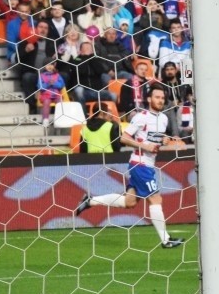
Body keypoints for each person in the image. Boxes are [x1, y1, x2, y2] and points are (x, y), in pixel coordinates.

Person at [75, 84, 185, 249]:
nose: (160, 100)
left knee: (129, 202)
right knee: (155, 199)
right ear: (149, 99)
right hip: (139, 163)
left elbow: (154, 139)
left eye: (162, 98)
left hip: (148, 164)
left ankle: (91, 201)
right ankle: (166, 240)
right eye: (157, 97)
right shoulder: (141, 117)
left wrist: (165, 141)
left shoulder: (164, 119)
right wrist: (145, 147)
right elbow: (124, 138)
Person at [37, 59, 66, 126]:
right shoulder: (41, 76)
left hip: (56, 94)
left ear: (54, 65)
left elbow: (62, 85)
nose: (50, 66)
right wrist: (48, 84)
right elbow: (40, 87)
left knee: (60, 102)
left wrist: (54, 83)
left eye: (52, 64)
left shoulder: (57, 75)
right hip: (46, 95)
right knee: (46, 102)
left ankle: (60, 118)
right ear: (44, 66)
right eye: (48, 65)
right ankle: (45, 119)